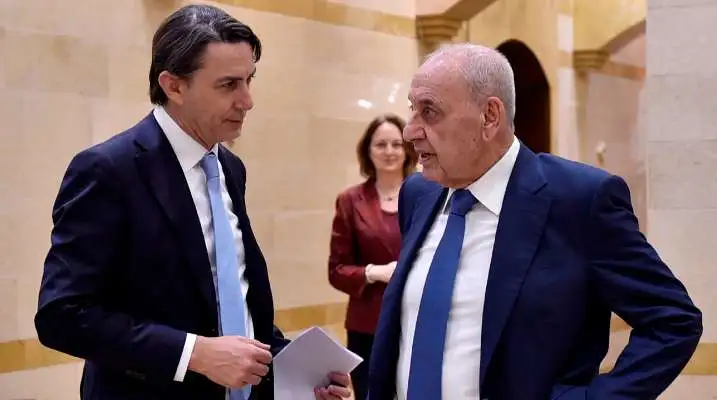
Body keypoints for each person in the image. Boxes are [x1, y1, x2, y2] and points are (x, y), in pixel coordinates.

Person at [34, 4, 350, 400]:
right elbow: (63, 315)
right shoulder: (108, 170)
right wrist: (193, 354)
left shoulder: (230, 168)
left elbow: (229, 299)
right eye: (228, 84)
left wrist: (294, 373)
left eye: (249, 80)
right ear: (174, 86)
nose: (247, 100)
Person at [367, 43, 702, 400]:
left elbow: (672, 320)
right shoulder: (418, 194)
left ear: (489, 117)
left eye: (429, 111)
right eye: (413, 110)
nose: (410, 132)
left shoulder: (580, 201)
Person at [328, 114, 417, 400]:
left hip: (417, 320)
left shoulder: (427, 195)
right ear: (368, 150)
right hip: (367, 326)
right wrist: (373, 272)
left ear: (408, 149)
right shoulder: (350, 201)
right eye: (381, 144)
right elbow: (337, 270)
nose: (389, 151)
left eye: (396, 144)